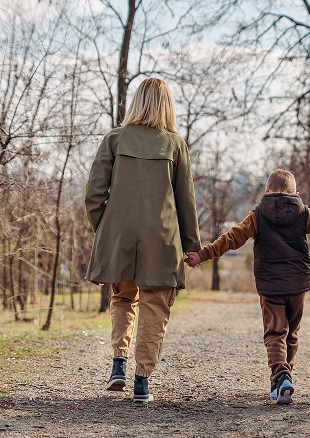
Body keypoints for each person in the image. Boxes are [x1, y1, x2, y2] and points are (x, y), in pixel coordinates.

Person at [184, 169, 310, 404]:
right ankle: (282, 379)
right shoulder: (304, 213)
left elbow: (231, 238)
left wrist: (202, 255)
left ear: (267, 191)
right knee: (291, 333)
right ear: (295, 193)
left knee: (274, 332)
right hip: (298, 282)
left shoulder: (257, 215)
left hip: (270, 283)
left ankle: (281, 378)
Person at [84, 78, 201, 403]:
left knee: (123, 300)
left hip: (119, 237)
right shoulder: (175, 144)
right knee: (154, 307)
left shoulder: (114, 138)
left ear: (137, 102)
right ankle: (142, 382)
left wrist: (108, 232)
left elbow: (93, 196)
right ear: (167, 105)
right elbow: (185, 201)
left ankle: (118, 365)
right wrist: (191, 246)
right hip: (161, 241)